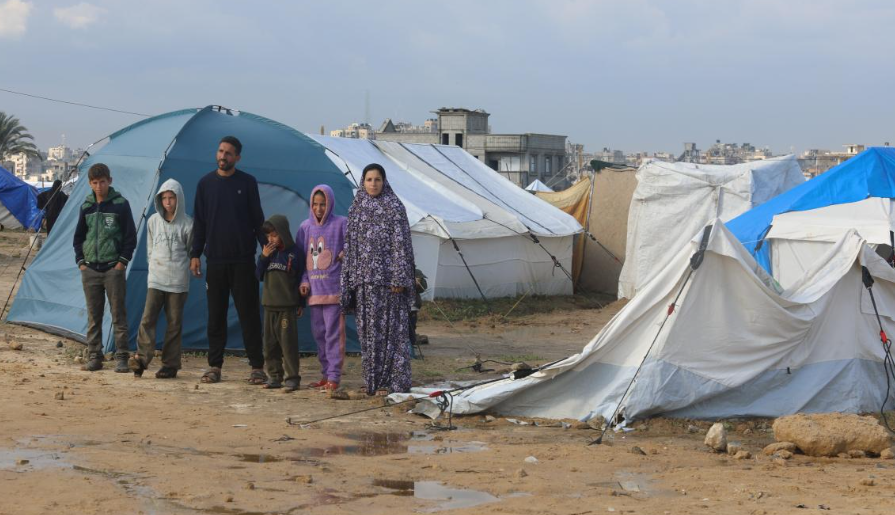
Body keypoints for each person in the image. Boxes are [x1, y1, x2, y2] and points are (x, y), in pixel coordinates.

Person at [190, 136, 266, 385]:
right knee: (216, 316)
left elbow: (258, 220)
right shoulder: (204, 184)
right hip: (216, 261)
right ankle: (214, 366)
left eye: (229, 153)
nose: (223, 156)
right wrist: (195, 254)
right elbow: (199, 223)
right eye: (221, 151)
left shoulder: (248, 182)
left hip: (244, 261)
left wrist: (267, 252)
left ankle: (257, 367)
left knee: (249, 315)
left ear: (238, 158)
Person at [341, 163, 415, 395]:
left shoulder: (394, 207)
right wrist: (350, 281)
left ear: (385, 182)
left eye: (377, 179)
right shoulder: (357, 208)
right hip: (364, 283)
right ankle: (373, 382)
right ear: (363, 182)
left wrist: (399, 277)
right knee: (369, 334)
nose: (373, 184)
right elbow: (350, 245)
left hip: (390, 283)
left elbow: (401, 245)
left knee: (392, 333)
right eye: (369, 179)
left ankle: (393, 381)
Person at [73, 163, 137, 372]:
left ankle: (121, 357)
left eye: (102, 182)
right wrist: (81, 262)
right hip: (90, 270)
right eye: (94, 183)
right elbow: (78, 238)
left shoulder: (120, 205)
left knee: (118, 314)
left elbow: (130, 237)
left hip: (113, 269)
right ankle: (94, 356)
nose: (99, 186)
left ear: (110, 181)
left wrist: (121, 263)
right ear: (90, 184)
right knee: (94, 316)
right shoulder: (86, 206)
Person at [130, 179, 193, 379]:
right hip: (156, 278)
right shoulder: (152, 222)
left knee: (174, 323)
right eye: (164, 198)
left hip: (178, 280)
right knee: (148, 318)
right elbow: (150, 250)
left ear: (178, 199)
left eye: (171, 198)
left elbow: (192, 252)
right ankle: (141, 359)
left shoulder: (188, 224)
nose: (167, 202)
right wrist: (154, 269)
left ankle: (170, 364)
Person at [297, 185, 347, 391]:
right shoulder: (305, 227)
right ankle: (325, 374)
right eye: (315, 204)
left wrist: (346, 253)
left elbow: (357, 243)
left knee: (333, 334)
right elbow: (301, 259)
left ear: (330, 203)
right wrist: (304, 281)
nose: (319, 208)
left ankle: (334, 376)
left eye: (323, 204)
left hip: (334, 291)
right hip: (314, 293)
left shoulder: (341, 223)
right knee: (319, 334)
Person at [256, 215, 304, 392]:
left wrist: (301, 303)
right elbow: (258, 275)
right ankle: (274, 376)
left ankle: (292, 378)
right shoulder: (268, 252)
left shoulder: (295, 252)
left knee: (288, 344)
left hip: (287, 306)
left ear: (283, 233)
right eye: (268, 236)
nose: (271, 239)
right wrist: (264, 257)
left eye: (274, 235)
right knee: (269, 345)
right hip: (269, 305)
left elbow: (300, 279)